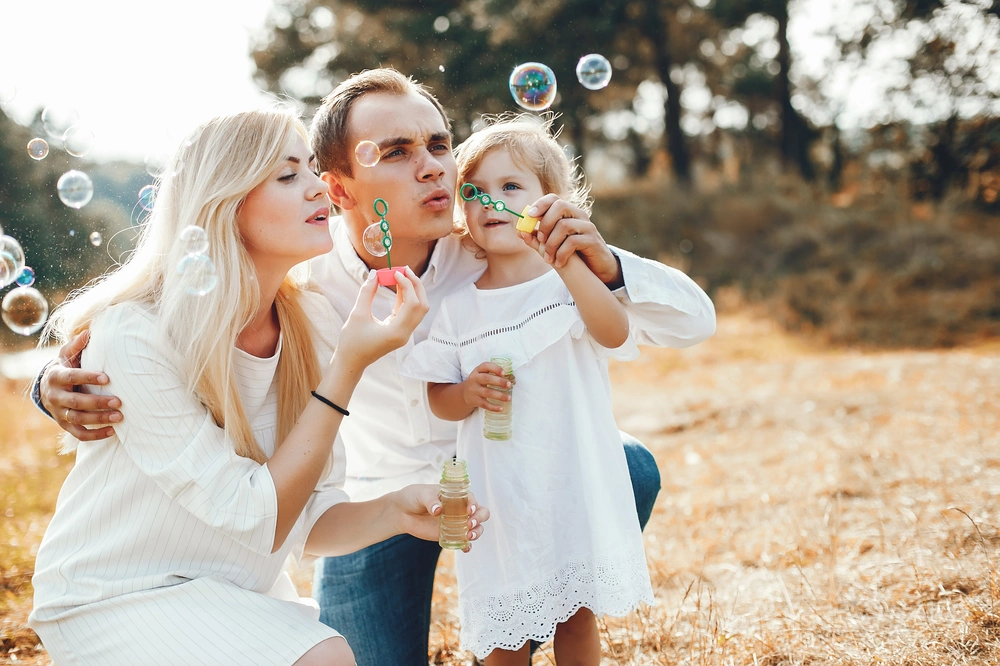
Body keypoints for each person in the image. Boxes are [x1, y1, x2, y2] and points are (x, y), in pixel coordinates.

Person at [36, 68, 716, 665]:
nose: (433, 167)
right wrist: (52, 388)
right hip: (380, 502)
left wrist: (609, 263)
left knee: (629, 464)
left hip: (510, 479)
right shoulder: (304, 281)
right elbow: (166, 325)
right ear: (337, 188)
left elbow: (693, 320)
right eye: (396, 152)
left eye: (439, 145)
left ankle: (519, 626)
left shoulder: (499, 246)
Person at [27, 107, 488, 666]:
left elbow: (308, 517)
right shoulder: (137, 332)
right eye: (289, 175)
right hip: (115, 593)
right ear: (225, 201)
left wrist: (394, 511)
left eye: (313, 170)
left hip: (230, 588)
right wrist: (348, 367)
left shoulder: (311, 319)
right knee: (326, 656)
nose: (320, 187)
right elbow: (252, 518)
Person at [400, 116, 654, 664]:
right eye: (475, 191)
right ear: (462, 214)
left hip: (571, 479)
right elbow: (438, 400)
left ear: (550, 202)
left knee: (576, 618)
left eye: (510, 186)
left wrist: (568, 264)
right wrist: (468, 392)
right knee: (503, 636)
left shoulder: (566, 284)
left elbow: (614, 332)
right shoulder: (459, 308)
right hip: (501, 496)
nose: (492, 201)